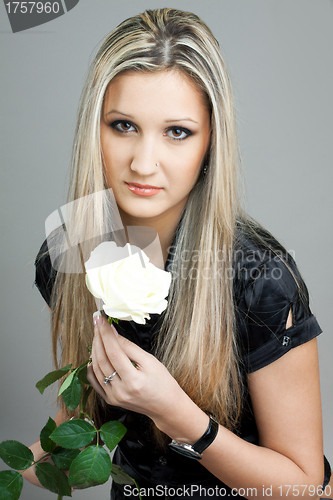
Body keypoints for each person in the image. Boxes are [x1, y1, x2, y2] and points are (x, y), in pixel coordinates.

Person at [26, 8, 331, 500]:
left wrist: (180, 417)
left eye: (177, 132)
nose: (143, 163)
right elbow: (65, 437)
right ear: (94, 130)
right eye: (123, 125)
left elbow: (310, 490)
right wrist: (36, 457)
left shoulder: (259, 279)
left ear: (211, 141)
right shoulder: (68, 254)